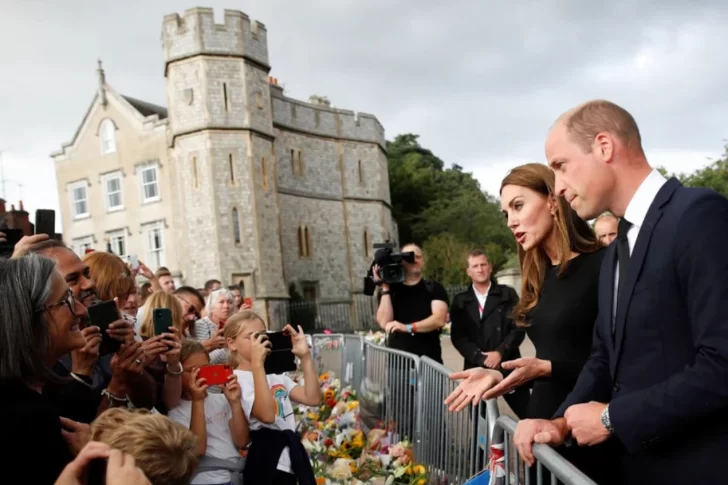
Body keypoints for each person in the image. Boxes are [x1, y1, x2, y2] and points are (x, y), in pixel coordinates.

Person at [510, 99, 728, 484]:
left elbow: (721, 363)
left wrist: (613, 418)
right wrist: (559, 422)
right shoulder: (615, 252)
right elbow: (603, 357)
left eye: (561, 165)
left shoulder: (698, 215)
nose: (558, 187)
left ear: (604, 147)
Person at [445, 163, 613, 483]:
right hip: (539, 429)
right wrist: (499, 373)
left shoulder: (603, 266)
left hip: (584, 428)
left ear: (552, 200)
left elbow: (613, 364)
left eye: (518, 206)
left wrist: (547, 369)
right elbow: (548, 354)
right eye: (506, 212)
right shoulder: (539, 276)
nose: (511, 221)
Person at [0, 255, 88, 484]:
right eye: (67, 300)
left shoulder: (38, 387)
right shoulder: (25, 420)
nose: (81, 310)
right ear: (29, 318)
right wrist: (90, 463)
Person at [225, 311, 321, 485]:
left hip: (289, 458)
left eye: (263, 335)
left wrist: (305, 357)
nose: (260, 341)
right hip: (267, 462)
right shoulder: (236, 379)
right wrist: (257, 365)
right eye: (252, 337)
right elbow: (267, 416)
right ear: (232, 344)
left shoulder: (275, 375)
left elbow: (312, 398)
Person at [449, 249, 529, 417]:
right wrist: (480, 357)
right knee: (480, 422)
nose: (480, 269)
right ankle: (482, 445)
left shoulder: (507, 294)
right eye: (475, 266)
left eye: (483, 264)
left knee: (529, 413)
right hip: (475, 366)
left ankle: (539, 443)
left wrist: (500, 352)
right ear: (468, 271)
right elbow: (458, 337)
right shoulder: (460, 301)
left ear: (490, 267)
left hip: (509, 364)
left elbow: (519, 327)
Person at [168, 340, 249, 485]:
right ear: (178, 373)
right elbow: (198, 449)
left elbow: (242, 441)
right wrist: (197, 401)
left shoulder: (222, 399)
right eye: (191, 370)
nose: (199, 375)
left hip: (236, 475)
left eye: (204, 368)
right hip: (206, 479)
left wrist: (235, 402)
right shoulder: (176, 412)